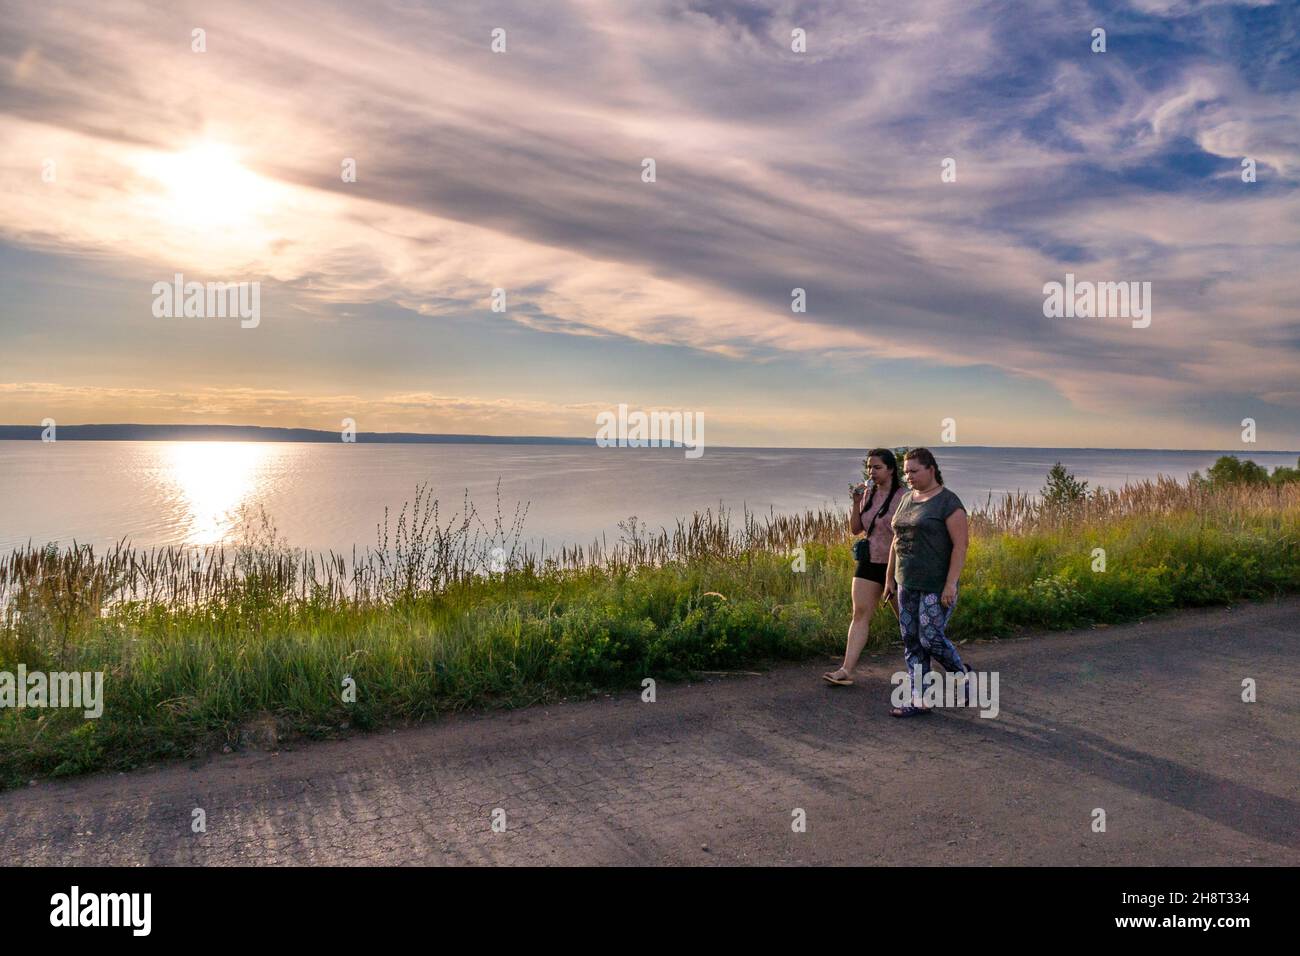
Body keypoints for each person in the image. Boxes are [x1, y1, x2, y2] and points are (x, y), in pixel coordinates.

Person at [883, 447, 972, 716]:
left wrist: (951, 584)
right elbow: (896, 540)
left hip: (935, 583)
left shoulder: (948, 503)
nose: (908, 476)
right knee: (911, 640)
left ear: (931, 469)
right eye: (906, 471)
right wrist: (889, 578)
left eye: (914, 471)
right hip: (906, 581)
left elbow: (960, 546)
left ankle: (961, 675)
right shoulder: (907, 499)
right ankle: (920, 699)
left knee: (930, 637)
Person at [823, 448, 904, 686]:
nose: (872, 472)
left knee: (907, 620)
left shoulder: (903, 497)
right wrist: (856, 502)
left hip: (897, 565)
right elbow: (856, 529)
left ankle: (945, 664)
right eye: (869, 467)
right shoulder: (867, 494)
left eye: (877, 467)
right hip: (869, 561)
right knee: (859, 615)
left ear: (890, 469)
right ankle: (845, 670)